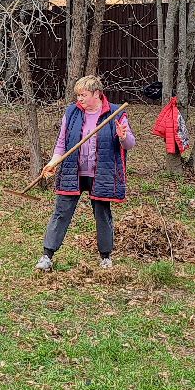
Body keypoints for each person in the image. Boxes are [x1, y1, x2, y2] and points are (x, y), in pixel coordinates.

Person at [35, 75, 136, 272]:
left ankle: (105, 257)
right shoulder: (72, 112)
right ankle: (47, 256)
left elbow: (129, 144)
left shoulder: (115, 113)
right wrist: (53, 162)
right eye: (78, 95)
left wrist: (123, 136)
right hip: (73, 172)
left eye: (83, 95)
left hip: (101, 174)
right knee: (61, 212)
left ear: (96, 94)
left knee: (102, 214)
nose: (79, 99)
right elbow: (62, 143)